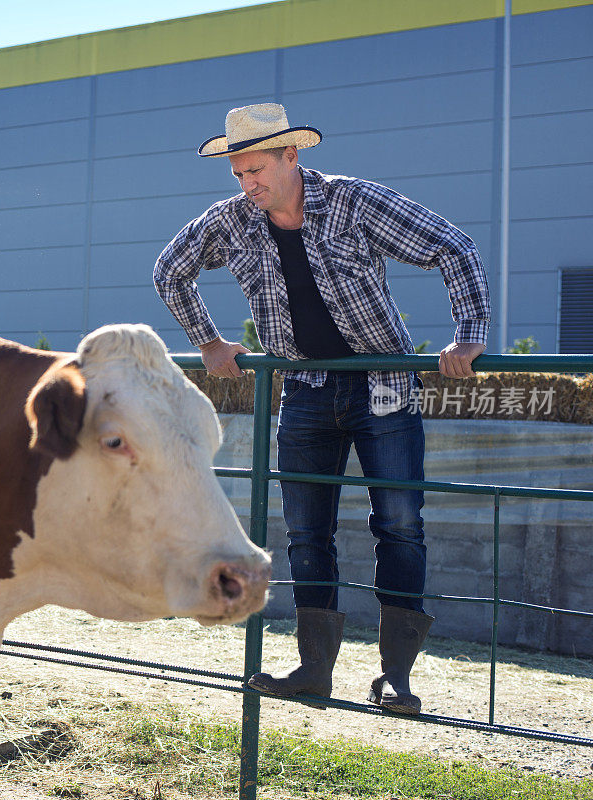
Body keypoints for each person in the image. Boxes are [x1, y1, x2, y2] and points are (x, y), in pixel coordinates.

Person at [153, 103, 490, 714]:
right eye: (238, 174)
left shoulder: (354, 202)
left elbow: (454, 247)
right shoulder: (232, 222)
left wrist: (469, 334)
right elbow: (170, 271)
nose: (246, 183)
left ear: (291, 157)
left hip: (381, 380)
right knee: (307, 529)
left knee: (399, 522)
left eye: (255, 169)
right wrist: (208, 340)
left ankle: (397, 677)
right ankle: (314, 669)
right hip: (304, 388)